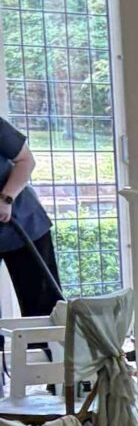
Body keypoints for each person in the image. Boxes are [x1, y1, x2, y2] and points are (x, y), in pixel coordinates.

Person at [0, 112, 63, 392]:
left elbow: (26, 161)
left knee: (42, 305)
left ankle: (59, 383)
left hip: (22, 222)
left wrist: (6, 199)